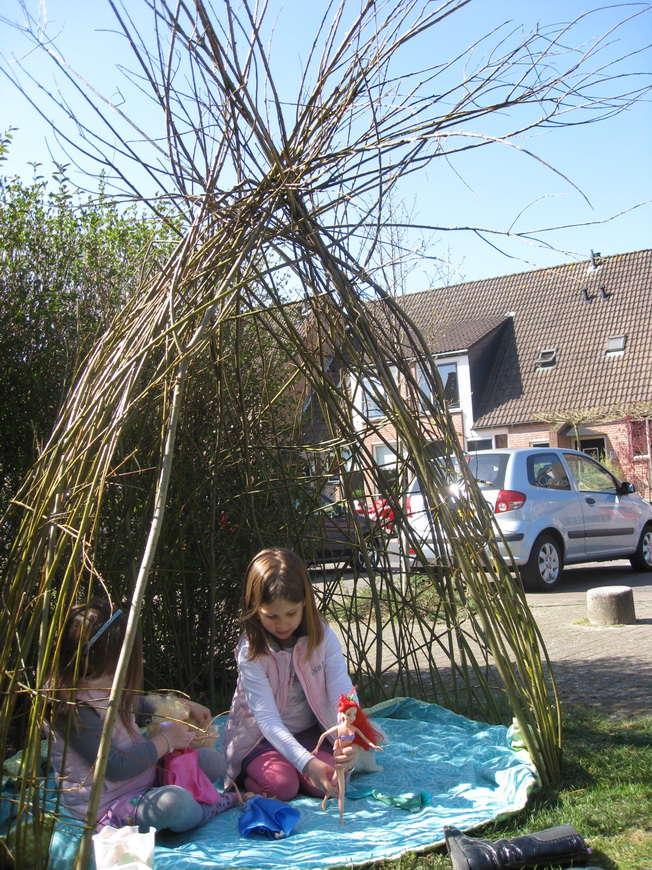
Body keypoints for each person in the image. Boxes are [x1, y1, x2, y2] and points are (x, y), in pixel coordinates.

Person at [46, 598, 239, 832]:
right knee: (173, 804)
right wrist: (166, 740)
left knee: (211, 760)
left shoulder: (104, 684)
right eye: (118, 668)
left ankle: (186, 801)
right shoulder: (71, 708)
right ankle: (207, 810)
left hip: (144, 779)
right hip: (109, 806)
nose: (124, 676)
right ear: (91, 661)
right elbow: (115, 766)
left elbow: (139, 705)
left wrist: (183, 706)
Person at [221, 547, 360, 802]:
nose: (282, 624)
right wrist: (307, 764)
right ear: (255, 608)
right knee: (282, 786)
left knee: (331, 784)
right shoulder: (251, 652)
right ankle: (246, 780)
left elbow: (342, 689)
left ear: (305, 602)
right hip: (260, 740)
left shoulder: (322, 636)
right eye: (271, 616)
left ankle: (302, 770)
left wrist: (345, 730)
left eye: (291, 613)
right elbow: (268, 721)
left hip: (310, 734)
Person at [312, 693, 384, 824]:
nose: (352, 718)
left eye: (354, 714)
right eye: (349, 714)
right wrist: (317, 747)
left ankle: (326, 805)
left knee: (332, 784)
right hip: (339, 759)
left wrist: (374, 745)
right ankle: (341, 817)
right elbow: (324, 735)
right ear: (342, 714)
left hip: (347, 759)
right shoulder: (339, 727)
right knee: (339, 788)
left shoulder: (354, 728)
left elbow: (365, 739)